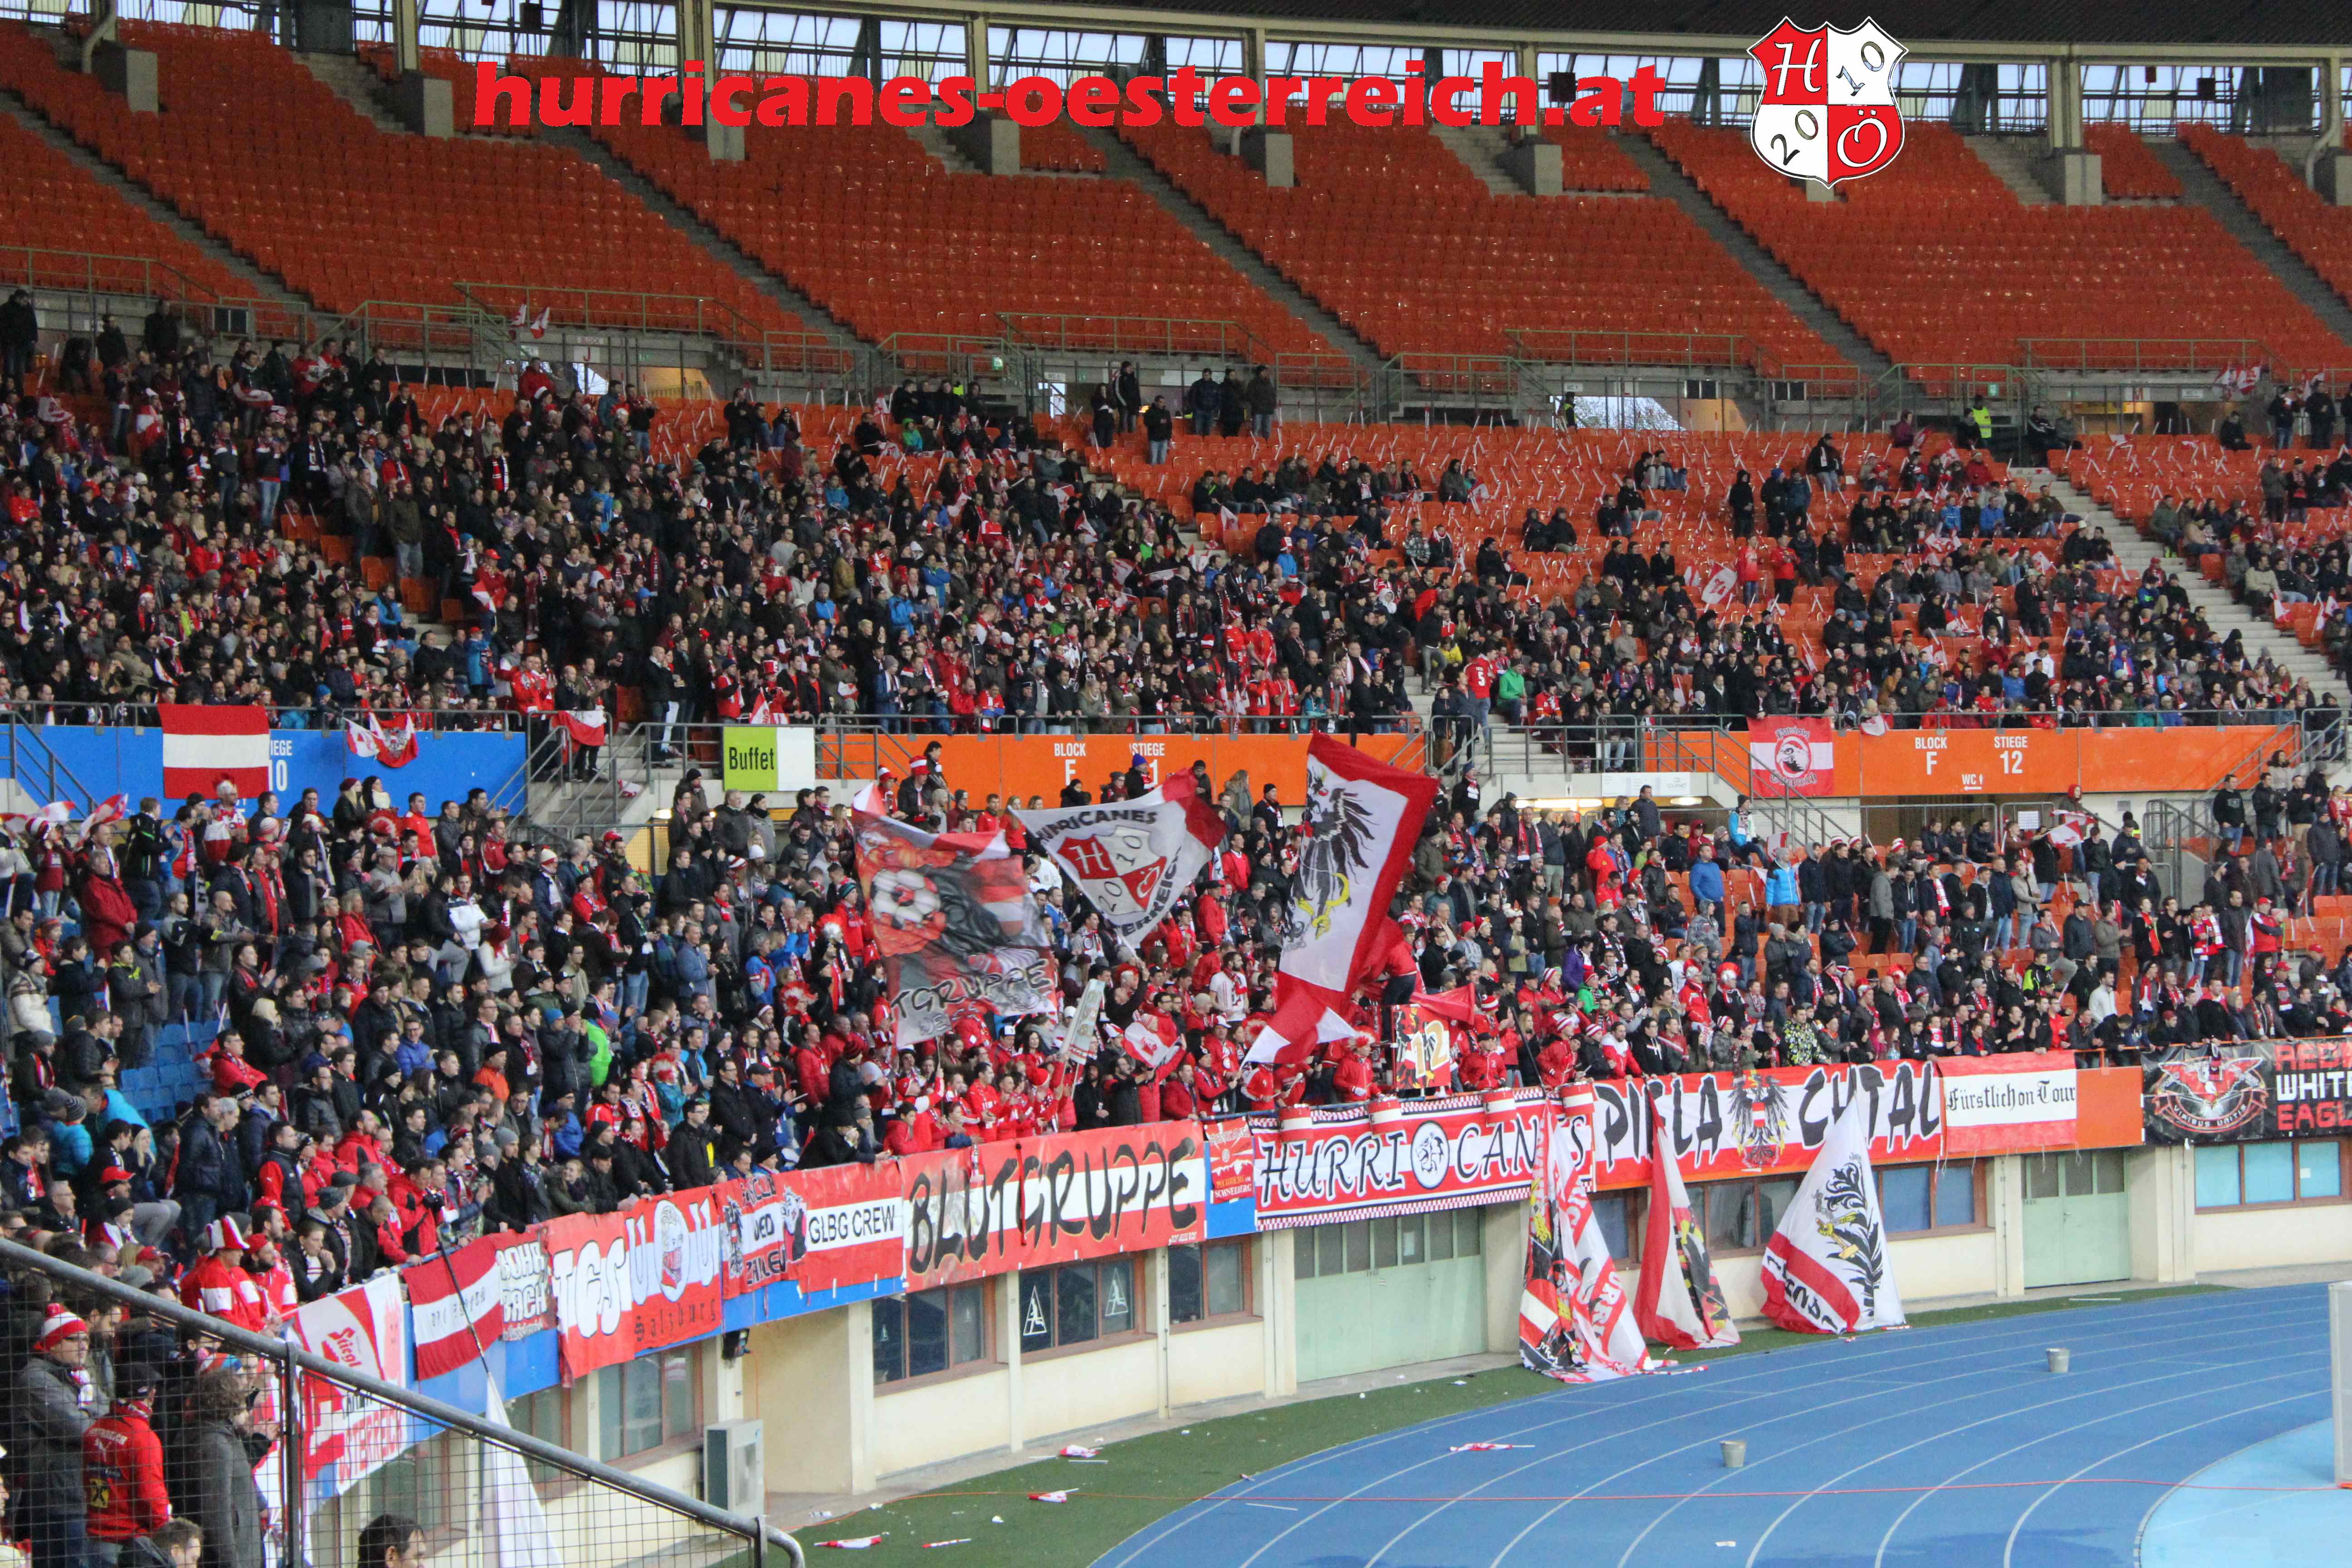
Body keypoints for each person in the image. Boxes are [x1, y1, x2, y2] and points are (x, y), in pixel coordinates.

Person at [173, 1367, 264, 1568]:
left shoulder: (218, 1436)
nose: (246, 1411)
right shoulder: (215, 1444)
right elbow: (216, 1514)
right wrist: (231, 1564)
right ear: (230, 1402)